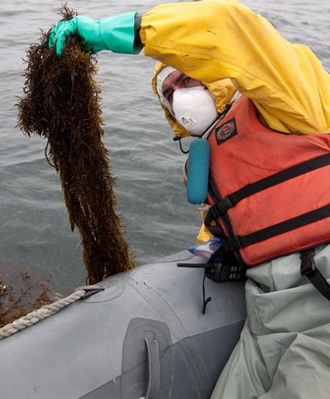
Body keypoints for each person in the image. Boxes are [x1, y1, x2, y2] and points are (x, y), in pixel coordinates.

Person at [49, 1, 330, 398]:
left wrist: (124, 31)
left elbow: (229, 28)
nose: (177, 96)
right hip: (267, 312)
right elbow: (226, 228)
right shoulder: (210, 161)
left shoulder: (290, 98)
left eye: (185, 80)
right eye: (168, 93)